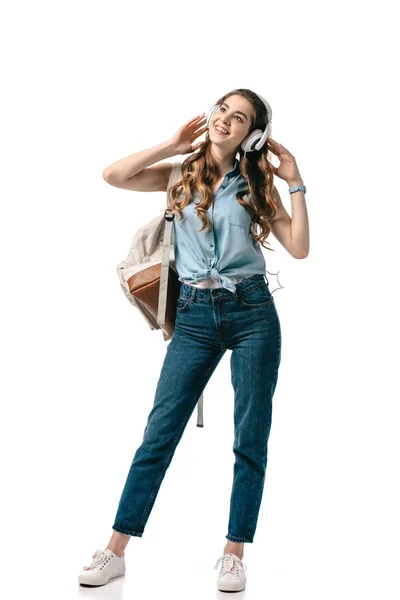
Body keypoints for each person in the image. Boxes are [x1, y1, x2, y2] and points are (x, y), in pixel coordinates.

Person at [78, 88, 309, 591]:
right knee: (159, 434)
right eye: (221, 111)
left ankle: (233, 552)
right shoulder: (182, 174)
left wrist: (295, 183)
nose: (225, 120)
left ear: (253, 134)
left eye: (239, 117)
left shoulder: (257, 183)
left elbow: (299, 248)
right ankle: (116, 549)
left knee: (250, 437)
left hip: (252, 314)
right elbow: (114, 175)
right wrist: (172, 142)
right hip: (195, 316)